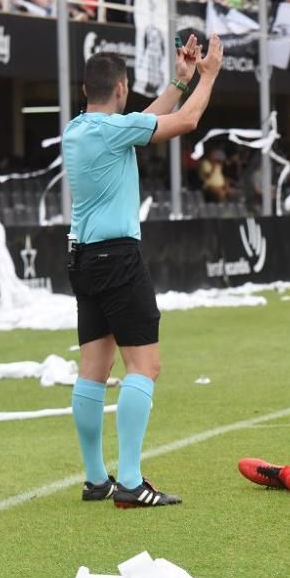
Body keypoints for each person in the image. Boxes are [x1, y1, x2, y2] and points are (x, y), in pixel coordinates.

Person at [63, 34, 224, 509]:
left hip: (83, 258)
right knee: (145, 366)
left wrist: (180, 78)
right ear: (122, 88)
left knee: (93, 370)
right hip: (117, 257)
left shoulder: (79, 129)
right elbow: (187, 120)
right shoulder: (113, 130)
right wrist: (208, 74)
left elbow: (146, 120)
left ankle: (97, 479)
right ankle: (131, 482)